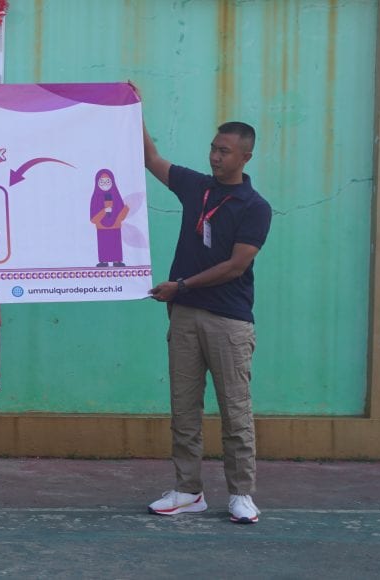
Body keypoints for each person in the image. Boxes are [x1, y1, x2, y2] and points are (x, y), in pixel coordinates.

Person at [141, 96, 272, 524]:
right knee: (184, 409)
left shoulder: (255, 207)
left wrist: (181, 286)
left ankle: (241, 494)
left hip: (229, 322)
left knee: (235, 412)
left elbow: (236, 266)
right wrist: (133, 107)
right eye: (214, 149)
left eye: (225, 151)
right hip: (184, 316)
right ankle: (188, 490)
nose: (215, 157)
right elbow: (151, 158)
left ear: (245, 157)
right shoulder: (196, 187)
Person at [89, 168, 130, 267]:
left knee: (115, 243)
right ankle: (104, 261)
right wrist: (104, 211)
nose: (105, 184)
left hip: (115, 226)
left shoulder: (116, 196)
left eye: (107, 181)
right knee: (104, 243)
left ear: (112, 182)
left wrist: (125, 210)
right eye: (102, 182)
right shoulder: (95, 198)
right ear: (97, 183)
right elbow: (93, 218)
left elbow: (121, 211)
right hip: (102, 227)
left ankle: (117, 260)